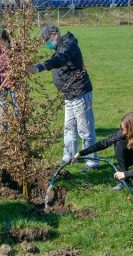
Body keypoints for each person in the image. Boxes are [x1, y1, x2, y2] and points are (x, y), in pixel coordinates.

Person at [30, 24, 99, 171]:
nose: (47, 44)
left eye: (47, 40)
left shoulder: (69, 45)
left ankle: (91, 161)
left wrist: (40, 67)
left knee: (85, 129)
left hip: (79, 92)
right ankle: (68, 156)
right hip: (69, 95)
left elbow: (61, 59)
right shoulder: (60, 47)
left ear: (54, 33)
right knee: (69, 128)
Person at [0, 28, 18, 130]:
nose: (1, 42)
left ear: (7, 39)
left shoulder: (14, 49)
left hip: (14, 82)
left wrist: (15, 71)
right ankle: (5, 131)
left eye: (3, 40)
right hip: (0, 83)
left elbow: (21, 64)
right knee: (3, 108)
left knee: (17, 107)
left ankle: (18, 130)